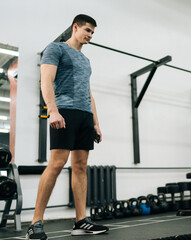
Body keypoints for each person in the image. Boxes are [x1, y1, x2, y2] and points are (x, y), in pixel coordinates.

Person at [26, 14, 108, 240]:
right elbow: (45, 80)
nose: (90, 35)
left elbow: (88, 92)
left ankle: (81, 221)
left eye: (93, 32)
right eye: (87, 30)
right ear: (75, 27)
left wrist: (96, 122)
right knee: (57, 163)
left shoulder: (86, 60)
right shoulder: (56, 49)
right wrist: (52, 110)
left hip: (84, 115)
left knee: (81, 165)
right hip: (64, 111)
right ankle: (35, 223)